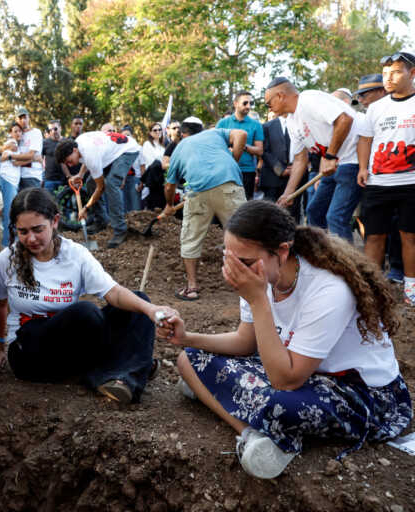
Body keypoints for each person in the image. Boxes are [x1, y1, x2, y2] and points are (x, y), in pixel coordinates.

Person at [158, 200, 412, 479]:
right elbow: (246, 342)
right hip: (303, 371)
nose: (235, 271)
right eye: (229, 258)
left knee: (278, 406)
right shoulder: (260, 277)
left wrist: (257, 301)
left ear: (281, 251)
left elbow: (286, 380)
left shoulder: (328, 289)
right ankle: (252, 435)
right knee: (189, 359)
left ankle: (255, 422)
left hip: (361, 393)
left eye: (244, 262)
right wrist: (187, 337)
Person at [0, 188, 166, 403]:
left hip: (72, 349)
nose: (31, 238)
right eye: (23, 232)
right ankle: (127, 365)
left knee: (138, 302)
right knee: (85, 313)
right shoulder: (6, 260)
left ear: (55, 221)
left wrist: (150, 310)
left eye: (37, 229)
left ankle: (126, 378)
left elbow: (114, 293)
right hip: (30, 355)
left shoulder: (75, 255)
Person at [268, 78, 362, 241]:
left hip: (352, 160)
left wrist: (330, 155)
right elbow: (300, 160)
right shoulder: (291, 121)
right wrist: (287, 194)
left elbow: (345, 119)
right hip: (332, 166)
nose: (268, 107)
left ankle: (348, 265)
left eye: (269, 102)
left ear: (281, 96)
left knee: (336, 217)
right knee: (314, 212)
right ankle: (324, 258)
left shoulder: (308, 99)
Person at [163, 119, 248, 300]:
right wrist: (234, 161)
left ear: (183, 134)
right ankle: (248, 284)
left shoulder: (178, 148)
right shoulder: (215, 133)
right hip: (229, 185)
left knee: (191, 238)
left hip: (198, 193)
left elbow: (169, 186)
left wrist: (169, 205)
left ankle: (192, 287)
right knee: (243, 235)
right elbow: (241, 135)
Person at [357, 51, 415, 305]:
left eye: (396, 72)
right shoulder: (377, 107)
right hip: (378, 183)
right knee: (373, 236)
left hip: (411, 183)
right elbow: (365, 139)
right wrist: (362, 167)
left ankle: (411, 290)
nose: (389, 78)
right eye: (385, 73)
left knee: (409, 235)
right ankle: (370, 287)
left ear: (412, 73)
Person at [55, 130, 140, 248]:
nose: (69, 165)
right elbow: (86, 160)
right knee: (90, 183)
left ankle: (120, 230)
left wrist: (85, 208)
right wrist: (80, 174)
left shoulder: (90, 154)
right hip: (111, 152)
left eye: (69, 161)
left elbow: (101, 188)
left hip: (127, 150)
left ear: (74, 150)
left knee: (111, 184)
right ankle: (101, 220)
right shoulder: (79, 143)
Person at [216, 91, 264, 200]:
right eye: (245, 103)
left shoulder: (256, 125)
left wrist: (241, 145)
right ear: (235, 104)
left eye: (251, 103)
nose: (248, 106)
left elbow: (260, 151)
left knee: (245, 208)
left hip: (247, 172)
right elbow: (216, 146)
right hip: (225, 170)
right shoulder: (223, 123)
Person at [0, 124, 23, 245]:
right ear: (11, 133)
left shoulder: (16, 147)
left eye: (20, 131)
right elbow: (14, 160)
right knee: (9, 211)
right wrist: (34, 158)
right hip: (8, 180)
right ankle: (7, 242)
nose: (18, 133)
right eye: (15, 131)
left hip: (12, 181)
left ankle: (9, 240)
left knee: (10, 210)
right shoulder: (12, 143)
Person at [11, 107, 44, 190]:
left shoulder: (35, 132)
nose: (23, 120)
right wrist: (32, 159)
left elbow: (30, 155)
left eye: (25, 117)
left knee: (32, 202)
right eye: (20, 118)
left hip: (32, 176)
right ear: (16, 120)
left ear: (29, 118)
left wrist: (13, 159)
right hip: (17, 176)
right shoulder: (16, 135)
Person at [140, 122, 167, 209]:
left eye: (160, 130)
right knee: (154, 203)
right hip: (153, 178)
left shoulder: (163, 146)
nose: (158, 132)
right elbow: (151, 162)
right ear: (150, 133)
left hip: (163, 178)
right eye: (155, 130)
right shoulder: (147, 145)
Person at [41, 120, 69, 195]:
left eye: (55, 129)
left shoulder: (67, 142)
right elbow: (39, 159)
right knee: (49, 204)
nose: (53, 131)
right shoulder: (45, 143)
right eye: (50, 130)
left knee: (65, 205)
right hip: (49, 180)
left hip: (64, 180)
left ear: (60, 128)